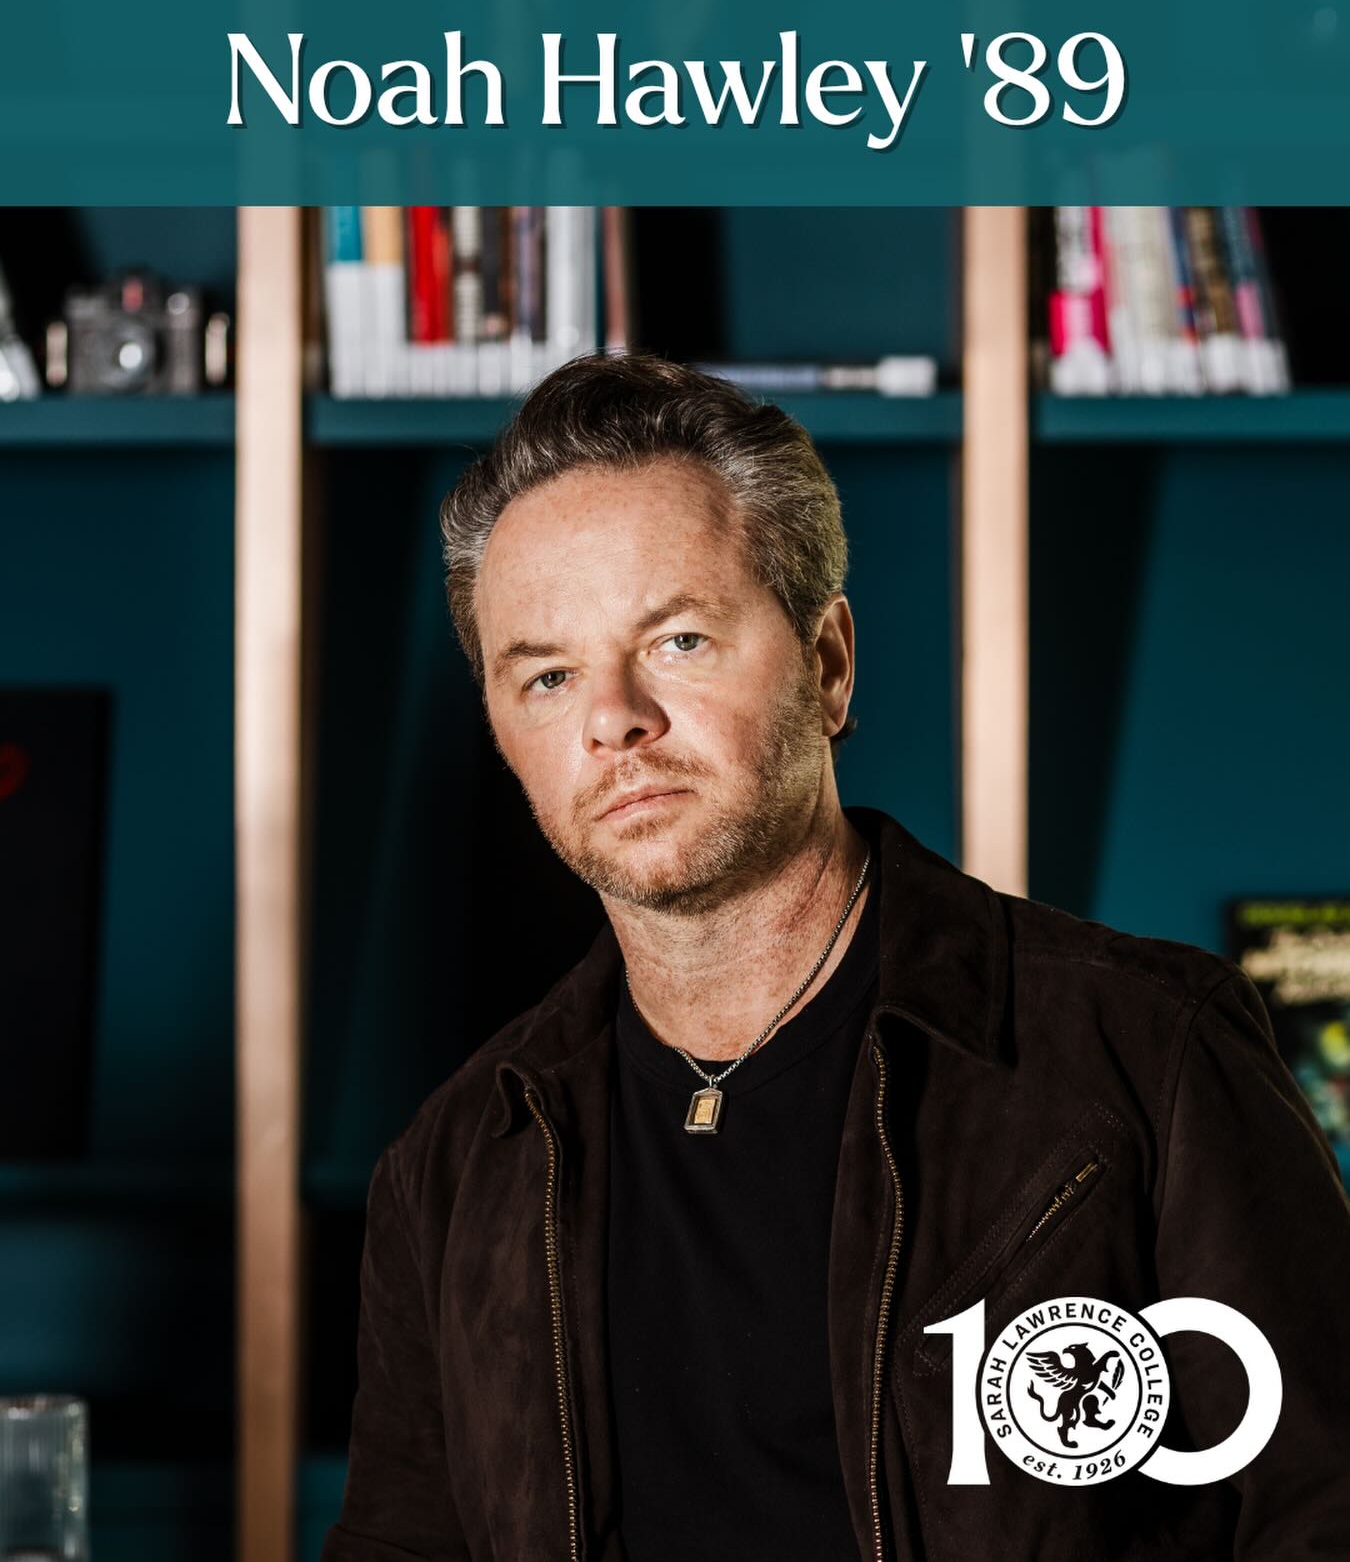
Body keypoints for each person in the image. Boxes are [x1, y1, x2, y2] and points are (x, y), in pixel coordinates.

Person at [320, 353, 1350, 1562]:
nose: (613, 718)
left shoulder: (1146, 1062)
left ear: (828, 663)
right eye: (546, 675)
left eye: (681, 641)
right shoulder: (451, 1172)